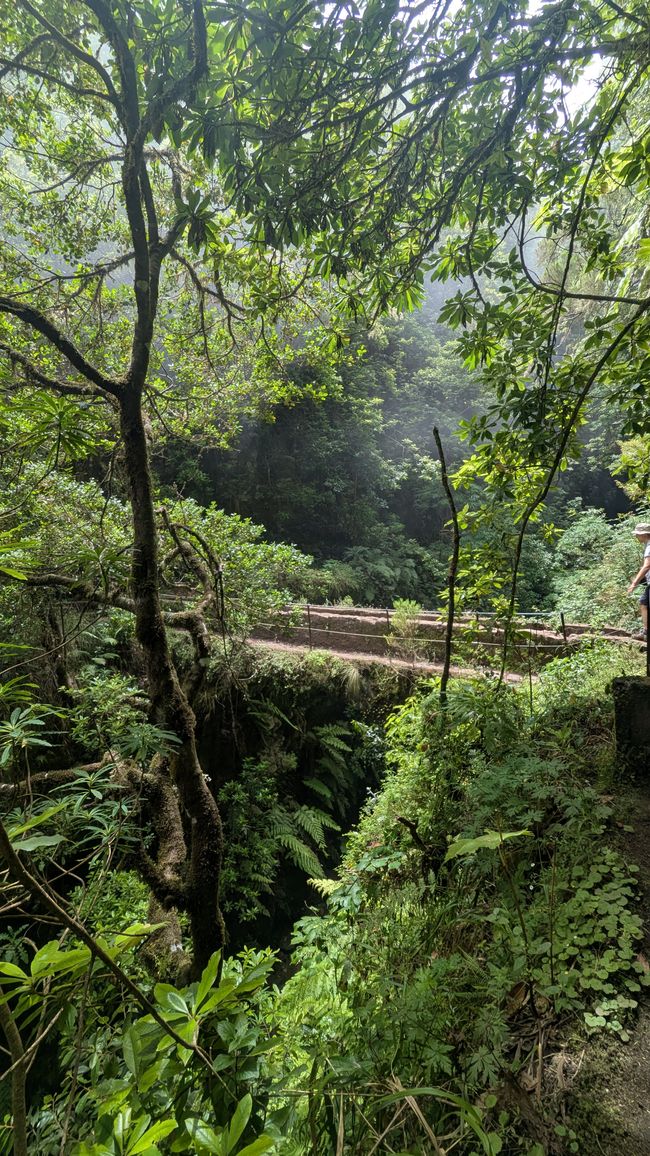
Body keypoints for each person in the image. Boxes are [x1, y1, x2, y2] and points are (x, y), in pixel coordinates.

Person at [626, 522, 650, 638]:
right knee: (644, 602)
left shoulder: (649, 546)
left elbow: (647, 566)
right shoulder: (647, 545)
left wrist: (634, 583)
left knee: (644, 602)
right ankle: (645, 632)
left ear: (645, 534)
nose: (636, 536)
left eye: (638, 534)